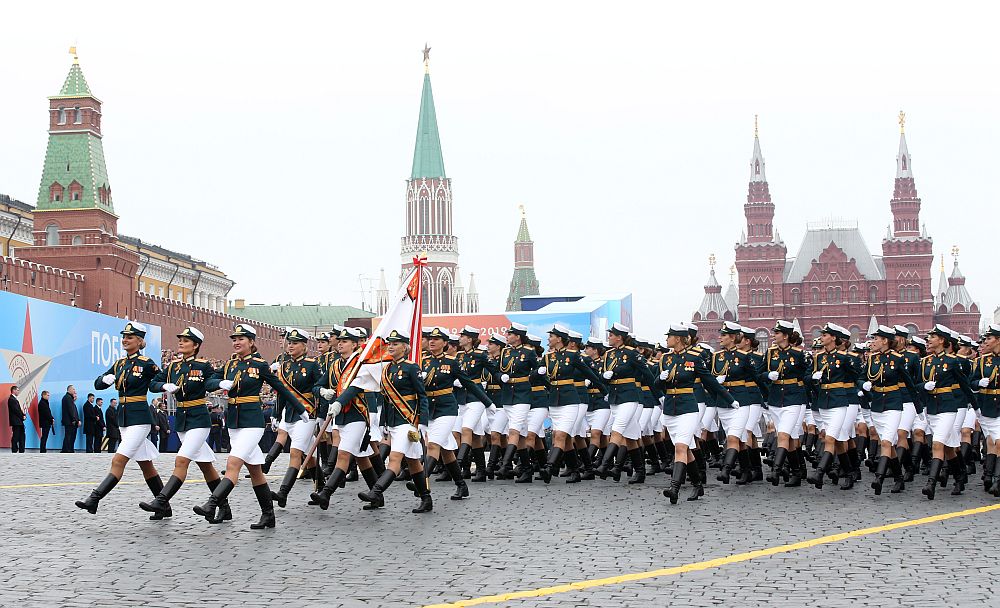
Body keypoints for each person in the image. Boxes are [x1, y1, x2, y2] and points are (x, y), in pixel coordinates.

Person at [193, 323, 300, 530]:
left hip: (252, 422)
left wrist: (301, 409)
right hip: (234, 421)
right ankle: (268, 515)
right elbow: (208, 382)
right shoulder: (230, 364)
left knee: (233, 463)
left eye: (241, 339)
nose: (236, 343)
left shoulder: (260, 365)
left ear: (251, 342)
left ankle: (212, 503)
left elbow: (281, 389)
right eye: (234, 339)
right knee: (255, 469)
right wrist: (219, 384)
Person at [140, 327, 231, 523]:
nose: (181, 342)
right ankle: (224, 507)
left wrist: (219, 384)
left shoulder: (203, 365)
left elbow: (209, 383)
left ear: (196, 345)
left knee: (181, 460)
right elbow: (153, 384)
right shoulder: (172, 367)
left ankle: (161, 500)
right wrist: (164, 386)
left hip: (199, 419)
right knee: (206, 466)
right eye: (180, 339)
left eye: (186, 340)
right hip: (182, 420)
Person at [75, 322, 167, 517]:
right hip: (124, 418)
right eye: (124, 336)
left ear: (140, 341)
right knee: (145, 463)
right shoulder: (119, 364)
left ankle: (94, 499)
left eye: (130, 337)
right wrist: (104, 380)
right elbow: (98, 383)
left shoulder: (146, 363)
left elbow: (160, 380)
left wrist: (162, 387)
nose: (125, 340)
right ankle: (164, 507)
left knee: (118, 459)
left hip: (141, 417)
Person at [657, 323, 737, 504]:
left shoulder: (694, 358)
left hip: (688, 408)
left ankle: (674, 488)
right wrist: (659, 379)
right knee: (686, 449)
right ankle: (697, 484)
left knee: (680, 447)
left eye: (669, 336)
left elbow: (710, 381)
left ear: (678, 339)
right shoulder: (666, 359)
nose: (666, 339)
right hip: (671, 409)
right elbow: (657, 385)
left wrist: (729, 399)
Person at [356, 330, 432, 512]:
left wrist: (422, 421)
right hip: (393, 421)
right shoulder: (387, 369)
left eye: (395, 343)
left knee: (395, 458)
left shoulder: (412, 367)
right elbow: (387, 399)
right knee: (414, 462)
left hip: (408, 420)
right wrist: (383, 423)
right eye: (389, 343)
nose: (390, 346)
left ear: (405, 347)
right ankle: (426, 499)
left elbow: (422, 396)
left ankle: (376, 491)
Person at [310, 327, 383, 510]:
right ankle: (377, 496)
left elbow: (356, 387)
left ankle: (326, 493)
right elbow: (317, 385)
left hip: (357, 414)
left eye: (345, 341)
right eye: (340, 341)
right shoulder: (335, 364)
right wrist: (323, 392)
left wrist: (339, 402)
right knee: (361, 457)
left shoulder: (361, 363)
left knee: (343, 454)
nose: (340, 344)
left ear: (355, 344)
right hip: (339, 415)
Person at [265, 327, 324, 509]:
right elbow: (282, 394)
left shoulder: (312, 365)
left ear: (304, 345)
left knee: (295, 452)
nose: (290, 346)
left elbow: (319, 389)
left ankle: (283, 493)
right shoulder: (285, 367)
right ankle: (321, 489)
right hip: (289, 414)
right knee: (310, 456)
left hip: (306, 414)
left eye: (295, 343)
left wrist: (321, 415)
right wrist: (276, 414)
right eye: (289, 342)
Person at [919, 324, 978, 500]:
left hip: (948, 408)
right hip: (932, 409)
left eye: (933, 337)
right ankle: (960, 476)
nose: (929, 340)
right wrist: (923, 386)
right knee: (950, 447)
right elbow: (915, 384)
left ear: (942, 340)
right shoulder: (925, 362)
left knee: (937, 444)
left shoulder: (953, 362)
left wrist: (976, 408)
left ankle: (931, 484)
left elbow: (965, 386)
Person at [864, 325, 917, 495]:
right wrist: (862, 384)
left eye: (876, 339)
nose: (874, 342)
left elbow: (909, 383)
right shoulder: (872, 359)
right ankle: (899, 478)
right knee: (889, 445)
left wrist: (919, 407)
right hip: (878, 405)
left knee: (886, 442)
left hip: (894, 404)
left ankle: (878, 478)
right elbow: (860, 376)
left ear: (885, 340)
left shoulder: (898, 359)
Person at [61, 385, 80, 453]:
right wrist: (75, 420)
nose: (75, 391)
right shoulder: (68, 398)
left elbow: (73, 410)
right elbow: (71, 411)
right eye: (73, 389)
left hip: (70, 421)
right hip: (70, 422)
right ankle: (67, 450)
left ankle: (69, 449)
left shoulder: (69, 398)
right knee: (69, 436)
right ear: (69, 390)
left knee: (70, 436)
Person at [7, 385, 26, 453]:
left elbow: (18, 410)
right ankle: (14, 450)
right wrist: (22, 416)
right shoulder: (11, 399)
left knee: (21, 436)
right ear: (13, 390)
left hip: (19, 421)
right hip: (16, 422)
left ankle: (21, 450)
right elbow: (16, 410)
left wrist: (23, 415)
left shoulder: (14, 399)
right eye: (17, 390)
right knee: (16, 436)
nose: (18, 391)